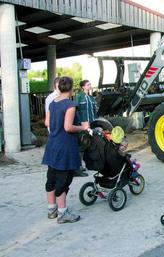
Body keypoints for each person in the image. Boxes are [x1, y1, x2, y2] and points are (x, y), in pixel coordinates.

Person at [42, 76, 89, 224]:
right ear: (71, 89)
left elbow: (47, 122)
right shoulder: (70, 104)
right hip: (65, 146)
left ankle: (52, 210)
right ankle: (63, 213)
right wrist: (83, 128)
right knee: (63, 179)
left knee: (52, 177)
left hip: (52, 144)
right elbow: (68, 127)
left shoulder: (53, 103)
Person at [75, 80, 97, 176]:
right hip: (83, 125)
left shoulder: (91, 98)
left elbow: (94, 111)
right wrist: (81, 123)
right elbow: (76, 111)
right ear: (83, 87)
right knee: (81, 145)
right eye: (88, 84)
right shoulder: (79, 97)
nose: (90, 86)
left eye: (90, 84)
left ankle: (88, 164)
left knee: (90, 144)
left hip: (91, 124)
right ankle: (78, 167)